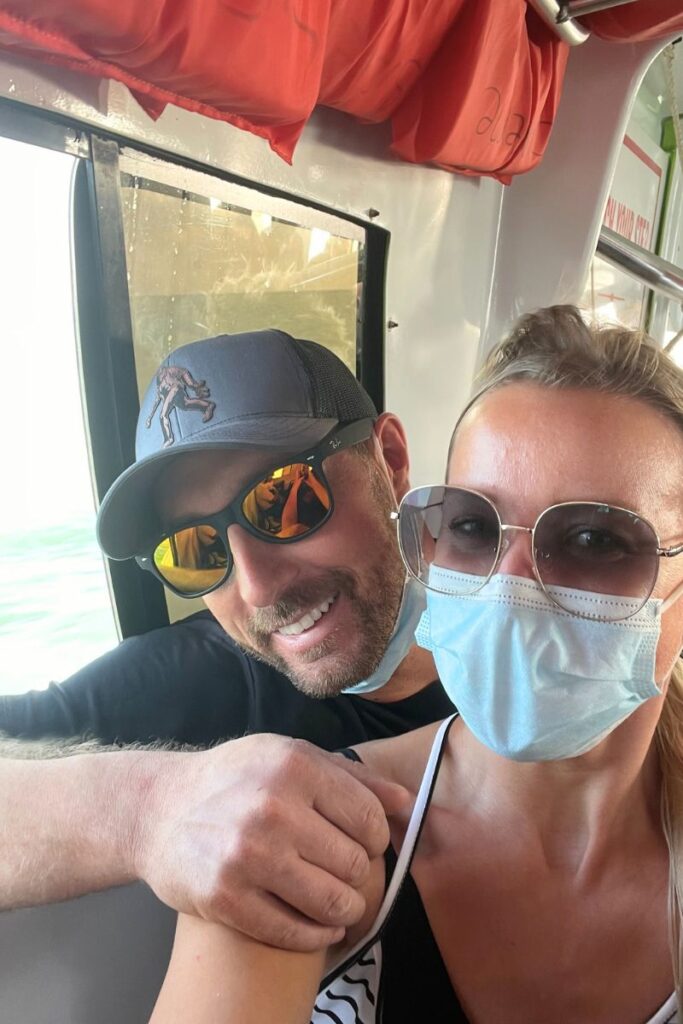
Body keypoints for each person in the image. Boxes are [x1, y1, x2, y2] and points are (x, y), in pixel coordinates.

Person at [149, 305, 683, 1023]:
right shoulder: (312, 838)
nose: (507, 588)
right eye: (470, 526)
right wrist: (145, 809)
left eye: (592, 540)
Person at [0, 328, 453, 952]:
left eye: (285, 500)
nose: (257, 588)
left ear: (391, 460)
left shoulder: (531, 650)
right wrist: (148, 811)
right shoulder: (200, 678)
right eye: (195, 550)